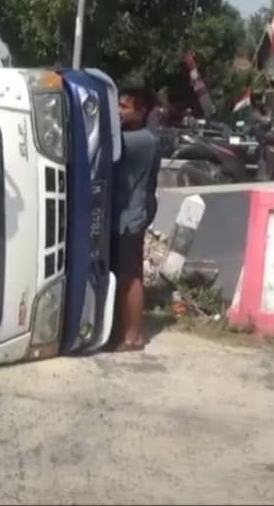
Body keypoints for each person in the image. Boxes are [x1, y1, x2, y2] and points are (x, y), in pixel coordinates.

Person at [108, 86, 161, 353]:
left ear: (141, 112)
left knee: (131, 276)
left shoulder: (140, 140)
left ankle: (134, 336)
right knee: (122, 274)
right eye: (117, 105)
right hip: (125, 215)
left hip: (131, 216)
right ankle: (122, 329)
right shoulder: (135, 136)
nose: (118, 111)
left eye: (125, 107)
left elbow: (104, 145)